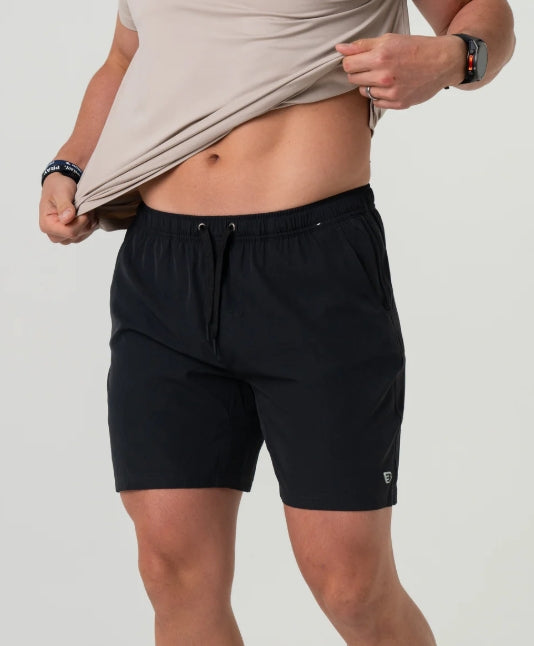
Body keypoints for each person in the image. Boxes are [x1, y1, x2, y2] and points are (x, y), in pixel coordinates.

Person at [38, 1, 515, 644]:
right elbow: (126, 58)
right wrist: (70, 164)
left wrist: (455, 57)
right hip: (162, 269)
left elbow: (483, 15)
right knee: (174, 575)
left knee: (351, 585)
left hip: (313, 266)